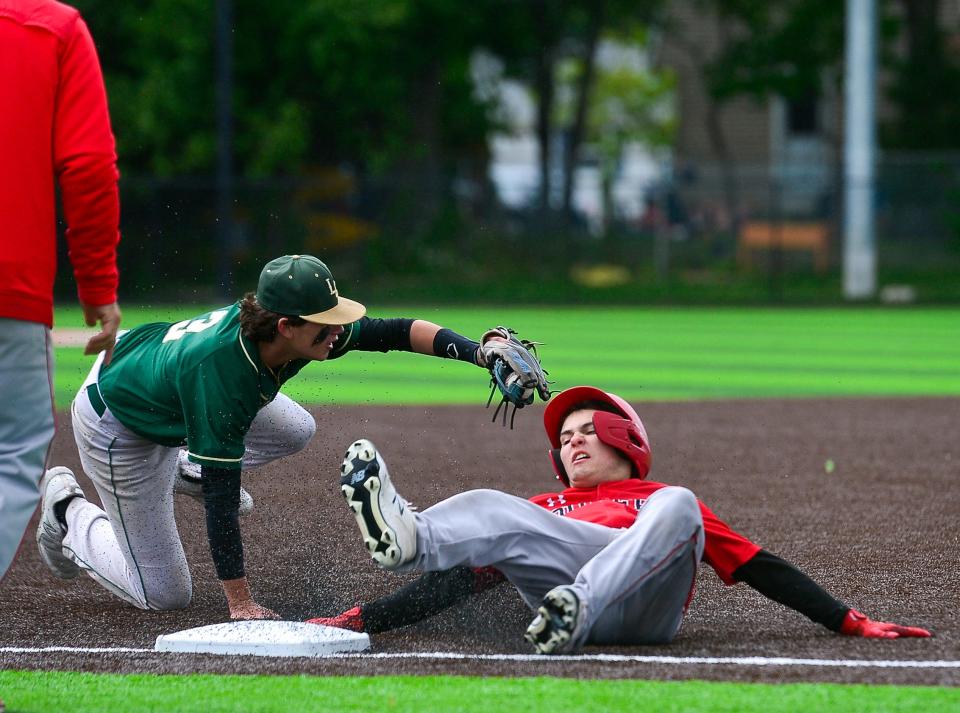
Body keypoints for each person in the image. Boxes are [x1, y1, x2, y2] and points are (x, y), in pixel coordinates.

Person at [36, 254, 532, 620]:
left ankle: (191, 464)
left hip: (154, 376)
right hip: (119, 422)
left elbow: (395, 331)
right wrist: (240, 601)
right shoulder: (225, 376)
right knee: (165, 594)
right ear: (285, 325)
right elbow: (222, 504)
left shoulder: (294, 333)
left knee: (297, 427)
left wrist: (477, 354)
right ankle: (67, 511)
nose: (338, 332)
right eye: (326, 325)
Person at [320, 385, 931, 652]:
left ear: (624, 438)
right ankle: (410, 536)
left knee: (680, 503)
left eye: (588, 430)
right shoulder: (547, 509)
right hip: (556, 594)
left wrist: (848, 621)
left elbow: (757, 566)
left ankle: (578, 607)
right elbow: (458, 585)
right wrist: (357, 619)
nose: (574, 443)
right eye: (565, 437)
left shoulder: (660, 497)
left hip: (642, 608)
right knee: (496, 505)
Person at [0, 0, 122, 583]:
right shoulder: (51, 28)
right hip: (8, 287)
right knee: (15, 452)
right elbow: (90, 165)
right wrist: (98, 285)